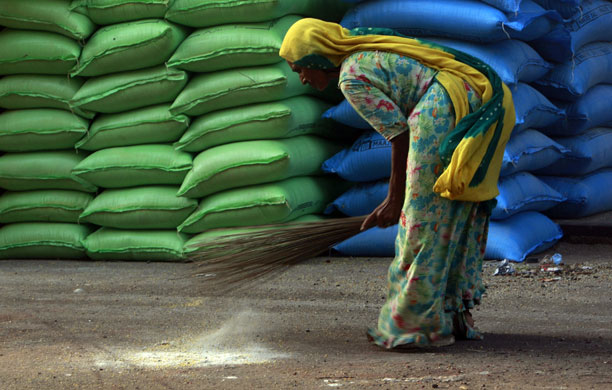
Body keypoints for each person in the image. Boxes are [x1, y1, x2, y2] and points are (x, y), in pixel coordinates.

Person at [279, 18, 515, 349]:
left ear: (317, 58)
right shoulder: (364, 49)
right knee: (452, 211)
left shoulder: (350, 76)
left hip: (440, 109)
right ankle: (451, 314)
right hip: (470, 98)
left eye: (300, 69)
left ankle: (414, 324)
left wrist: (394, 197)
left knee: (421, 219)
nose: (302, 78)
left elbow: (399, 134)